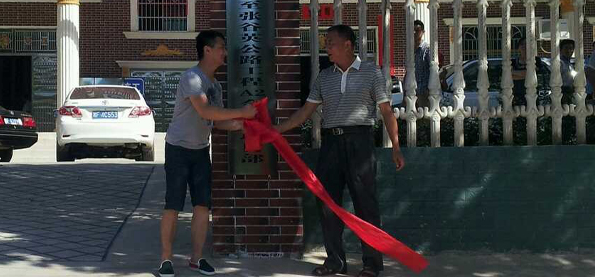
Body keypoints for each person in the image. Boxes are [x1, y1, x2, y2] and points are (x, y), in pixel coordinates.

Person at [276, 25, 404, 277]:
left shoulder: (371, 72)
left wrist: (396, 147)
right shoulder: (324, 77)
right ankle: (335, 261)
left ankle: (371, 264)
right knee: (327, 202)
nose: (327, 48)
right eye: (326, 43)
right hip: (331, 144)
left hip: (360, 143)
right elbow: (305, 113)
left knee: (365, 204)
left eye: (331, 43)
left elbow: (387, 111)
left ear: (348, 44)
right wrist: (276, 130)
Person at [158, 30, 256, 277]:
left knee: (202, 206)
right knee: (173, 205)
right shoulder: (192, 77)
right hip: (178, 149)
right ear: (207, 50)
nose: (225, 52)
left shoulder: (215, 85)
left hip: (201, 150)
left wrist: (243, 126)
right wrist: (242, 113)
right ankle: (166, 260)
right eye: (221, 47)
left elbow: (217, 121)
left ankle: (196, 259)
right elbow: (205, 111)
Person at [413, 20, 431, 108]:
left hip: (424, 92)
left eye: (417, 30)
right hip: (412, 92)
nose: (414, 33)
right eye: (413, 31)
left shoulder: (426, 49)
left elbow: (433, 70)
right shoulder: (411, 50)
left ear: (423, 32)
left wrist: (428, 89)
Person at [558, 39, 576, 104]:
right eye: (566, 48)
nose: (568, 50)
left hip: (571, 92)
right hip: (562, 92)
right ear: (561, 49)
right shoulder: (559, 63)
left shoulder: (570, 64)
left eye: (571, 48)